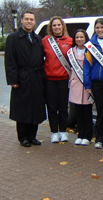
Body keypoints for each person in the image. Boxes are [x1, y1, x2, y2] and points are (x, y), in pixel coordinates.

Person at [4, 10, 46, 147]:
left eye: (31, 19)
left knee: (35, 108)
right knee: (22, 109)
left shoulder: (38, 38)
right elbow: (9, 61)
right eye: (27, 19)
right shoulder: (13, 38)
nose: (29, 21)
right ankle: (23, 137)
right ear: (22, 20)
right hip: (22, 78)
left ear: (34, 22)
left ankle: (33, 136)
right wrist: (13, 80)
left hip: (36, 78)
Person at [83, 18, 103, 150]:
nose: (100, 30)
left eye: (102, 27)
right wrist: (87, 84)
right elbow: (87, 66)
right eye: (97, 28)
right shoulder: (90, 44)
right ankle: (99, 138)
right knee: (100, 110)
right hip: (96, 83)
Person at [42, 16, 73, 143]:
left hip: (64, 79)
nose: (56, 27)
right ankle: (54, 132)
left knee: (63, 107)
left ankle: (63, 131)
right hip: (49, 79)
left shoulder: (70, 41)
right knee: (51, 106)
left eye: (58, 25)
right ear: (51, 27)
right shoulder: (45, 41)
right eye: (54, 25)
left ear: (63, 26)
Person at [67, 29, 93, 146]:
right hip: (75, 83)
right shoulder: (71, 52)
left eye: (81, 37)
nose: (79, 39)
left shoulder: (90, 50)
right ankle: (80, 134)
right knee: (78, 111)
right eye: (77, 37)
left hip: (87, 84)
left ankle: (87, 135)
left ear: (85, 38)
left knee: (87, 112)